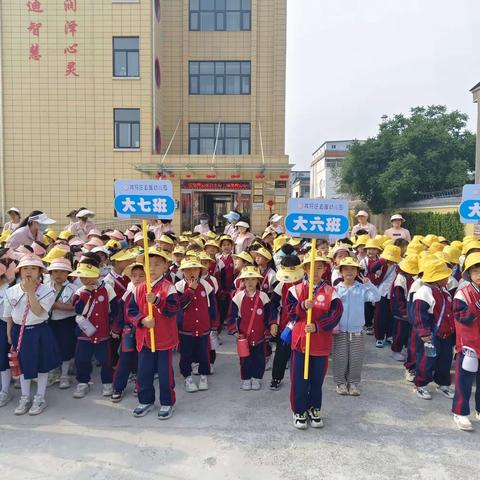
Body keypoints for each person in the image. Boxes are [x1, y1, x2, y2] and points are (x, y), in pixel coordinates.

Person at [286, 252, 343, 429]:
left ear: (325, 269)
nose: (315, 271)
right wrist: (302, 306)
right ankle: (299, 410)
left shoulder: (331, 292)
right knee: (299, 379)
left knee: (317, 379)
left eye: (319, 267)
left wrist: (318, 326)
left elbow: (336, 314)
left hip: (321, 343)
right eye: (311, 267)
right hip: (301, 342)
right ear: (304, 269)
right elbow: (288, 312)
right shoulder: (295, 290)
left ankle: (314, 408)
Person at [4, 254, 61, 415]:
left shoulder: (46, 291)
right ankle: (25, 396)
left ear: (40, 272)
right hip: (18, 331)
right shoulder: (11, 291)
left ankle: (40, 397)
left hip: (39, 330)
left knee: (42, 366)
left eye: (33, 268)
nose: (29, 271)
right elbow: (8, 315)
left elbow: (38, 311)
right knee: (22, 366)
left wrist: (30, 292)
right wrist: (9, 334)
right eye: (25, 268)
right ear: (20, 271)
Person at [128, 247, 180, 419]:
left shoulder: (169, 288)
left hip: (164, 339)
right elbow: (131, 311)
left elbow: (173, 310)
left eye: (157, 264)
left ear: (165, 266)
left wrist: (157, 301)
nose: (152, 268)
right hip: (144, 339)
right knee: (144, 372)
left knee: (165, 374)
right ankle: (146, 400)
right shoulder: (138, 289)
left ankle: (167, 402)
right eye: (148, 265)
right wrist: (142, 321)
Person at [70, 259, 118, 399]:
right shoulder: (80, 291)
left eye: (88, 275)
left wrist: (112, 325)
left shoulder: (107, 288)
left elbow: (114, 309)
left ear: (97, 275)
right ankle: (83, 382)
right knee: (82, 359)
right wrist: (86, 294)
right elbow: (78, 310)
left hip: (103, 332)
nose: (85, 279)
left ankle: (107, 382)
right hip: (84, 333)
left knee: (105, 360)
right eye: (82, 276)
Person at [333, 258, 380, 396]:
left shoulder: (362, 288)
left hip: (357, 330)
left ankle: (353, 383)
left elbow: (376, 297)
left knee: (356, 358)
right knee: (340, 357)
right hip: (340, 330)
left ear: (357, 272)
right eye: (346, 269)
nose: (349, 272)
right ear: (341, 271)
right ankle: (340, 383)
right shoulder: (336, 289)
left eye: (353, 269)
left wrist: (369, 284)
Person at [412, 257, 455, 400]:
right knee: (426, 360)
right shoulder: (423, 292)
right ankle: (421, 385)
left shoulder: (444, 290)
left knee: (445, 360)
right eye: (445, 276)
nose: (448, 278)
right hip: (431, 335)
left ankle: (443, 384)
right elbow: (419, 314)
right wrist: (424, 332)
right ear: (437, 278)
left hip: (445, 335)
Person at [175, 257, 217, 392]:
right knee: (186, 354)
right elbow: (180, 305)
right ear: (182, 271)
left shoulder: (206, 285)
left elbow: (212, 306)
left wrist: (214, 324)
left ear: (200, 270)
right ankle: (187, 377)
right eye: (187, 269)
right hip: (186, 328)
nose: (191, 272)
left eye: (194, 268)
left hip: (203, 327)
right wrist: (190, 290)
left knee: (204, 353)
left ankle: (204, 375)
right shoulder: (179, 286)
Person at [228, 266, 271, 391]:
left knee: (259, 358)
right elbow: (231, 316)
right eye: (247, 279)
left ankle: (257, 378)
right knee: (245, 358)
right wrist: (234, 331)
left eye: (253, 279)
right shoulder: (238, 297)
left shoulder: (263, 297)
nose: (250, 282)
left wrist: (269, 329)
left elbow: (269, 315)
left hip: (260, 335)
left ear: (258, 281)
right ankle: (246, 378)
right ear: (243, 281)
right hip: (244, 336)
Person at [451, 252, 480, 431]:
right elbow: (462, 317)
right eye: (475, 271)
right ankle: (460, 413)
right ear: (469, 273)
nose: (479, 274)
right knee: (465, 380)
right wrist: (477, 305)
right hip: (469, 344)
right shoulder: (463, 293)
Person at [112, 262, 146, 402]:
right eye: (134, 276)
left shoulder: (149, 293)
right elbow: (121, 313)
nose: (137, 278)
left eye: (141, 276)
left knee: (142, 359)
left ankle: (140, 385)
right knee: (124, 359)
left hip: (144, 330)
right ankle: (118, 387)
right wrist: (116, 328)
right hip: (128, 331)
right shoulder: (128, 294)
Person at [269, 255, 303, 391]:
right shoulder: (282, 284)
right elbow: (274, 305)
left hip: (302, 324)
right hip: (285, 325)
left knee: (301, 354)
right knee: (281, 353)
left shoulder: (308, 283)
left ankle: (301, 381)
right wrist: (273, 322)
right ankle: (276, 378)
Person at [47, 258, 77, 390]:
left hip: (67, 323)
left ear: (67, 274)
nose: (58, 274)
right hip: (49, 322)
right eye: (55, 271)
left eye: (62, 271)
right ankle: (54, 373)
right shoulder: (44, 288)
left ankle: (64, 376)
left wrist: (57, 305)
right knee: (52, 348)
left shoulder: (73, 288)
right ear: (51, 273)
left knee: (66, 349)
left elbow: (76, 307)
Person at [390, 255, 419, 362]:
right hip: (401, 312)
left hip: (406, 310)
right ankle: (395, 350)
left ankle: (401, 349)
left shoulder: (408, 277)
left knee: (405, 332)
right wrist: (403, 312)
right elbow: (398, 298)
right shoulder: (400, 279)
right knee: (399, 332)